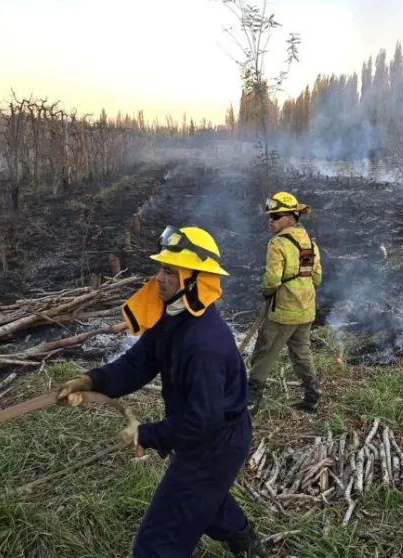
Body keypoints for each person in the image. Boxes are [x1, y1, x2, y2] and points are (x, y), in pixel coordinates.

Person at [56, 225, 267, 558]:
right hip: (203, 432)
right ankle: (247, 543)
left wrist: (147, 433)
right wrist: (91, 380)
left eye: (170, 271)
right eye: (160, 268)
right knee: (206, 500)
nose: (159, 278)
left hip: (215, 441)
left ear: (194, 281)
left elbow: (203, 420)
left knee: (157, 543)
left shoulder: (203, 344)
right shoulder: (172, 318)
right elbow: (138, 364)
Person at [247, 191, 322, 416]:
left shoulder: (278, 243)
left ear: (291, 218)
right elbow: (317, 278)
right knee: (301, 352)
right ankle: (313, 395)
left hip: (283, 314)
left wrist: (268, 292)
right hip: (306, 311)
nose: (271, 221)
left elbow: (272, 279)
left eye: (276, 217)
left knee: (264, 353)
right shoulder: (310, 242)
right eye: (270, 216)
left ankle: (250, 403)